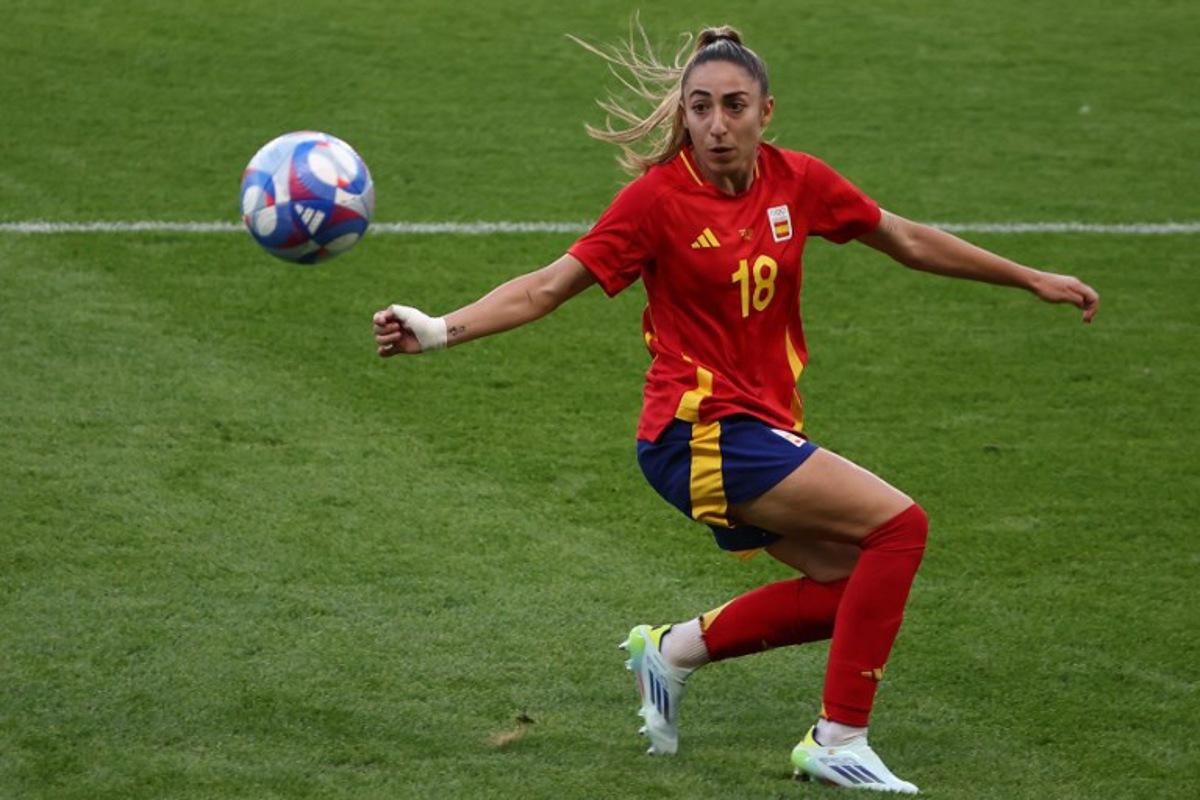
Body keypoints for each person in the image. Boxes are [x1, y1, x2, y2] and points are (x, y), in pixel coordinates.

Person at [372, 24, 1099, 794]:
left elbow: (905, 239)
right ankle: (838, 737)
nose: (717, 125)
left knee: (853, 587)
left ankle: (673, 651)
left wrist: (1029, 278)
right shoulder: (655, 201)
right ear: (682, 116)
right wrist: (440, 329)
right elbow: (547, 286)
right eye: (700, 108)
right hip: (699, 434)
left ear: (765, 111)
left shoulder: (799, 181)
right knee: (899, 527)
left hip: (757, 430)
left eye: (734, 106)